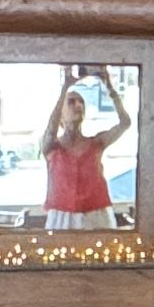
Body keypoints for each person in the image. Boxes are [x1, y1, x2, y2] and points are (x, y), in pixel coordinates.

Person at [39, 72, 131, 231]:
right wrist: (64, 89)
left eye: (81, 102)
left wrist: (108, 85)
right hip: (61, 218)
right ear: (60, 116)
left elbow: (125, 122)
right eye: (71, 102)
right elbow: (50, 131)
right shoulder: (52, 146)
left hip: (97, 216)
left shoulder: (96, 143)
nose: (78, 105)